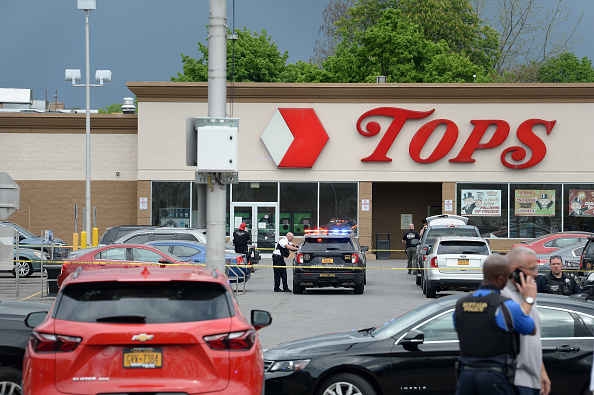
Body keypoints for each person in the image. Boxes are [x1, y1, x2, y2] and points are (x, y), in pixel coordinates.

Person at [454, 255, 536, 395]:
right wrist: (528, 299)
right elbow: (530, 329)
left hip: (465, 377)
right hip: (494, 378)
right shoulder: (506, 306)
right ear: (499, 279)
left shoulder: (461, 304)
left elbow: (460, 328)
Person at [501, 247, 551, 395]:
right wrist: (528, 300)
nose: (536, 274)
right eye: (532, 269)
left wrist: (541, 371)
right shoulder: (501, 294)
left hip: (532, 376)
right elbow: (516, 326)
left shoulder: (528, 290)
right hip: (515, 378)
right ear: (516, 270)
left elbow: (533, 338)